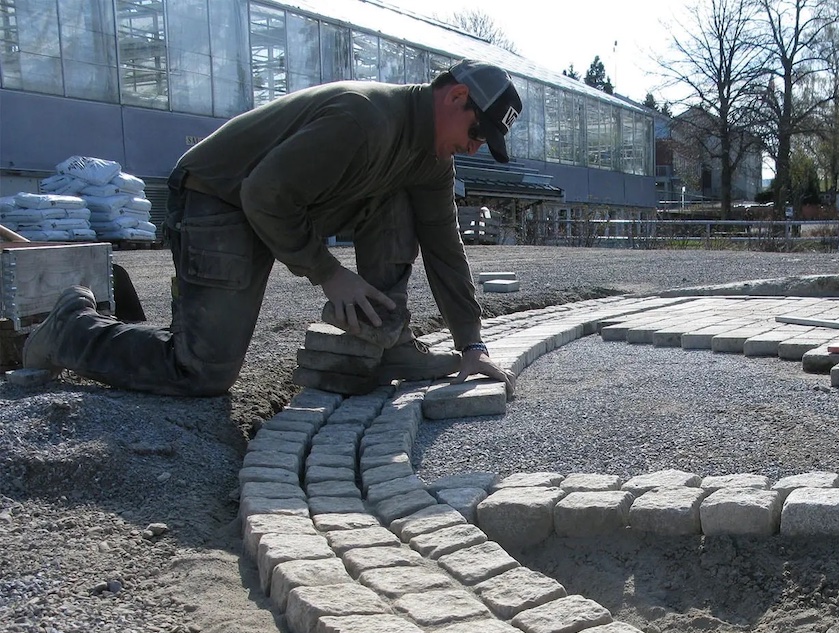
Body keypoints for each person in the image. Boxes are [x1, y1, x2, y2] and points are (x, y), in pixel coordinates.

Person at [22, 59, 520, 397]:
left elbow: (443, 245)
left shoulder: (430, 158)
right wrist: (328, 272)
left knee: (400, 203)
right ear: (456, 96)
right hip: (218, 199)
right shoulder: (364, 119)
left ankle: (386, 344)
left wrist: (471, 344)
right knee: (201, 372)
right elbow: (260, 193)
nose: (476, 147)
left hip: (286, 201)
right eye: (479, 133)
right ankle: (71, 330)